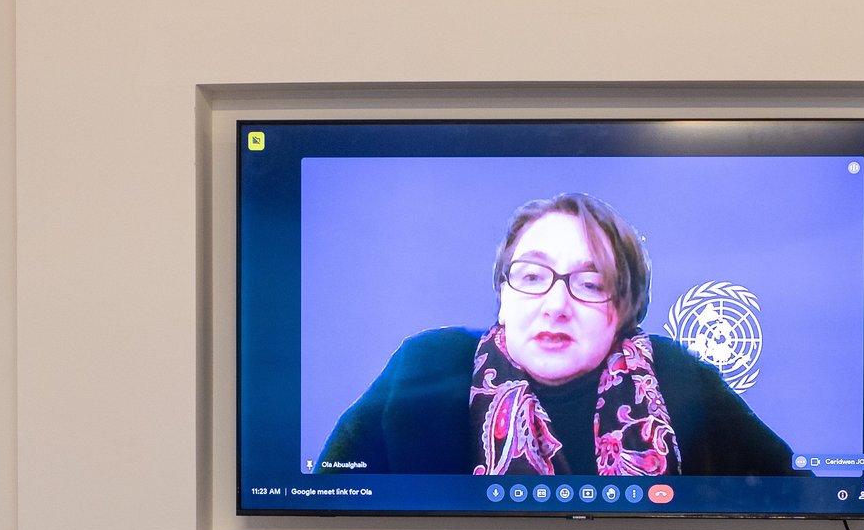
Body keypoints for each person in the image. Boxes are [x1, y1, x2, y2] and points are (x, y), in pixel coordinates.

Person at [318, 192, 807, 477]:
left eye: (589, 284)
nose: (556, 305)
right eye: (532, 277)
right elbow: (331, 492)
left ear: (625, 308)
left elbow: (795, 490)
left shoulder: (677, 376)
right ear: (502, 294)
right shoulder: (428, 365)